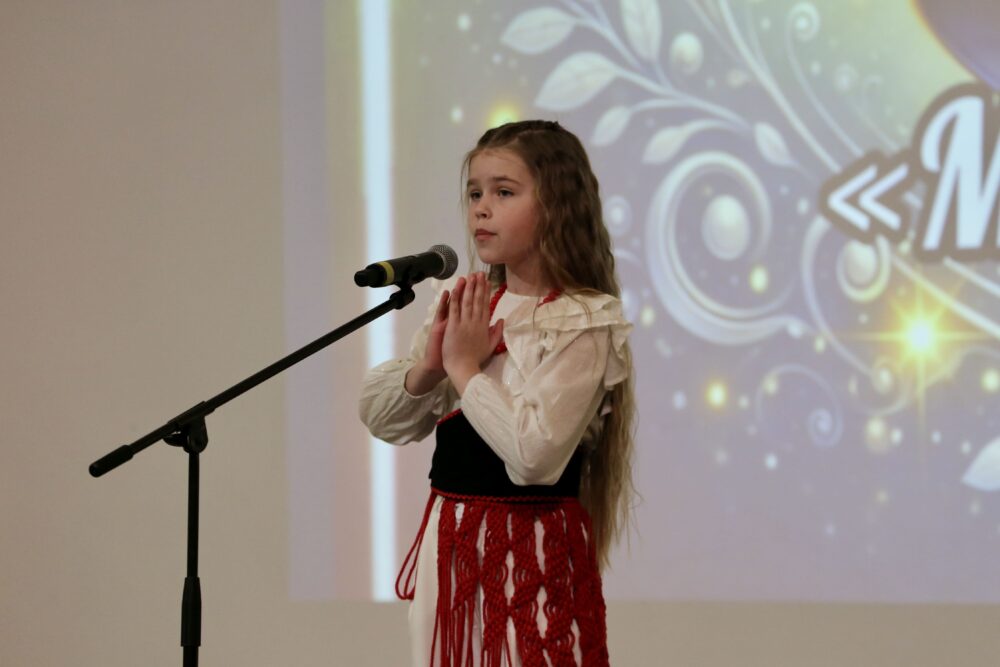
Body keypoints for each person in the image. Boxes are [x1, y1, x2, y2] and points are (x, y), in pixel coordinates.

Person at [359, 120, 635, 667]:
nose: (482, 209)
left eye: (504, 193)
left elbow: (534, 456)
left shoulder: (581, 320)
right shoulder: (468, 302)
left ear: (556, 206)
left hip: (530, 554)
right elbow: (381, 418)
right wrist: (431, 368)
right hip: (453, 549)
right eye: (474, 194)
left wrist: (465, 368)